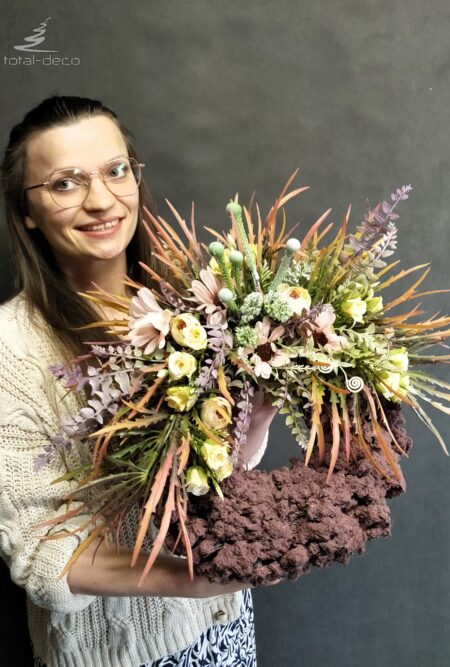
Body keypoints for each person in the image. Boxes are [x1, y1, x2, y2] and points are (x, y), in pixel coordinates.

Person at [0, 95, 278, 667]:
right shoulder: (11, 350)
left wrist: (262, 407)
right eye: (64, 183)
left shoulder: (192, 302)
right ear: (26, 210)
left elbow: (216, 470)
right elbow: (40, 551)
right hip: (120, 654)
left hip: (224, 626)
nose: (101, 200)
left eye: (115, 170)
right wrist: (194, 581)